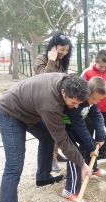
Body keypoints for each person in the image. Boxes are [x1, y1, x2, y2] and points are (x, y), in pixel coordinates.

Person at [0, 73, 94, 202]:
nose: (76, 106)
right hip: (11, 112)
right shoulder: (51, 106)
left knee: (47, 137)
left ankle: (43, 177)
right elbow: (62, 140)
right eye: (73, 102)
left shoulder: (67, 81)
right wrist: (82, 163)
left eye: (78, 103)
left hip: (29, 111)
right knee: (14, 167)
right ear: (63, 92)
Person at [62, 76, 106, 202]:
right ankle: (69, 190)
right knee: (73, 154)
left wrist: (100, 137)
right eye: (93, 98)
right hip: (64, 127)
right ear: (87, 93)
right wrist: (92, 147)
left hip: (74, 125)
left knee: (90, 143)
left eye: (99, 100)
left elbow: (97, 116)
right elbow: (81, 127)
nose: (95, 101)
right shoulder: (78, 103)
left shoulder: (92, 103)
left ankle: (92, 169)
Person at [33, 30, 73, 171]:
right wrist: (51, 60)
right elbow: (41, 79)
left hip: (57, 100)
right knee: (50, 131)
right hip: (44, 101)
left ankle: (56, 153)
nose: (64, 53)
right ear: (54, 46)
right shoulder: (41, 59)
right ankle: (50, 159)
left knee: (60, 127)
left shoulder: (63, 61)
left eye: (67, 50)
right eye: (62, 49)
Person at [81, 49, 106, 163]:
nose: (103, 68)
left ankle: (102, 154)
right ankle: (87, 154)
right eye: (101, 66)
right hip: (89, 110)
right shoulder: (87, 73)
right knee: (88, 131)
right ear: (95, 61)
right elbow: (81, 91)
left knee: (104, 132)